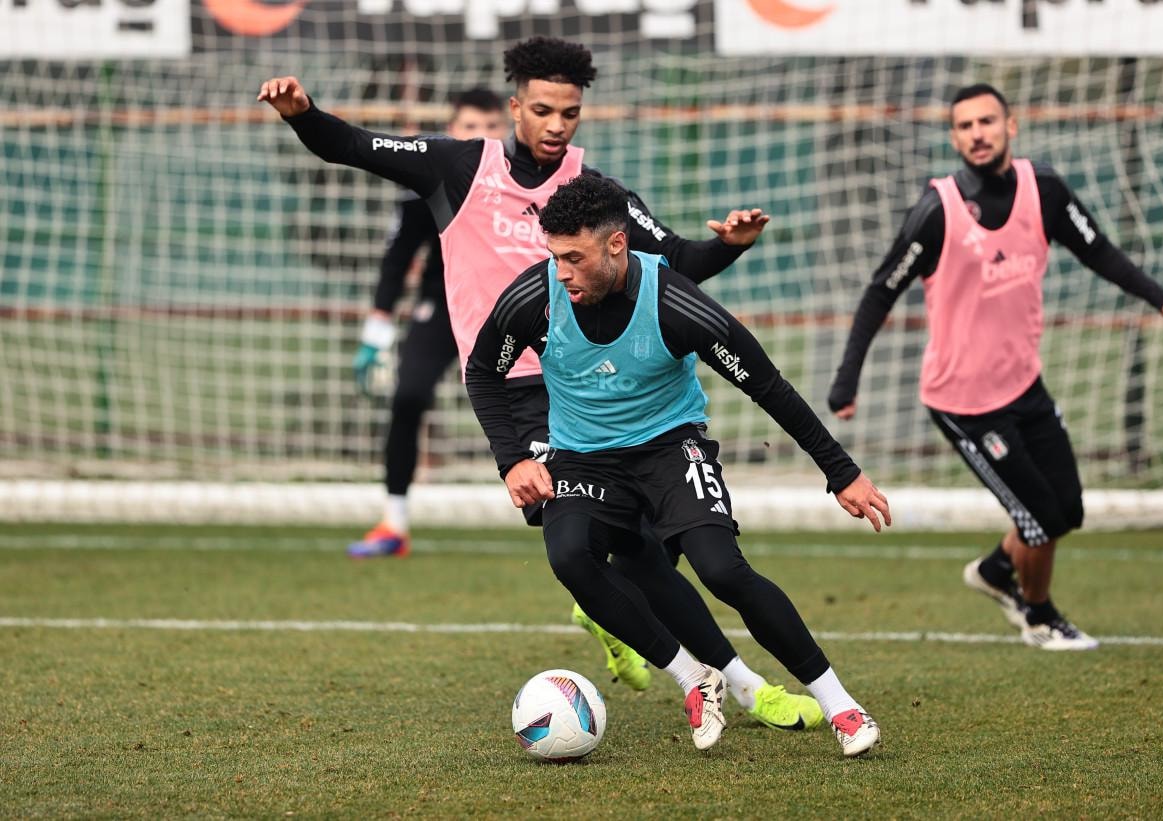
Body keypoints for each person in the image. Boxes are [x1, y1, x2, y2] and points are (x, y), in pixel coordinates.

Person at [258, 37, 825, 733]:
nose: (558, 125)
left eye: (571, 113)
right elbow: (352, 145)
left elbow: (676, 260)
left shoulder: (595, 193)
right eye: (544, 110)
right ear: (515, 107)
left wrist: (728, 246)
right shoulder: (459, 166)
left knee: (648, 548)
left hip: (592, 389)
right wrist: (302, 113)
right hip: (516, 393)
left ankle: (626, 619)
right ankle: (740, 686)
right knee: (635, 554)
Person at [466, 174, 891, 756]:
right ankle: (694, 678)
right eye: (554, 257)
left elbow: (767, 386)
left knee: (721, 570)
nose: (561, 273)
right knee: (569, 556)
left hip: (669, 447)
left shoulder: (675, 304)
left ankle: (841, 705)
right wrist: (512, 460)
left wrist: (841, 473)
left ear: (617, 245)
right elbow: (482, 371)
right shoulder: (534, 298)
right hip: (583, 458)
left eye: (574, 258)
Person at [827, 83, 1163, 651]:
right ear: (954, 138)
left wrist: (1161, 299)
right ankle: (1040, 616)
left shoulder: (1044, 190)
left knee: (1067, 509)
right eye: (965, 126)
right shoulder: (938, 210)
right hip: (964, 402)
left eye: (987, 121)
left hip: (1024, 384)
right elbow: (881, 291)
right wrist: (847, 379)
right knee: (1040, 520)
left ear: (1010, 126)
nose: (977, 133)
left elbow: (1097, 250)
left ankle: (997, 571)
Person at [347, 89, 507, 559]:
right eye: (471, 127)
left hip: (509, 313)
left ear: (506, 131)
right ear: (452, 131)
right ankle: (393, 523)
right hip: (442, 309)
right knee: (408, 396)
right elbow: (397, 258)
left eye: (491, 127)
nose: (481, 137)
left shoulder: (524, 183)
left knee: (549, 408)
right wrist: (376, 333)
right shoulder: (427, 183)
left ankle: (586, 517)